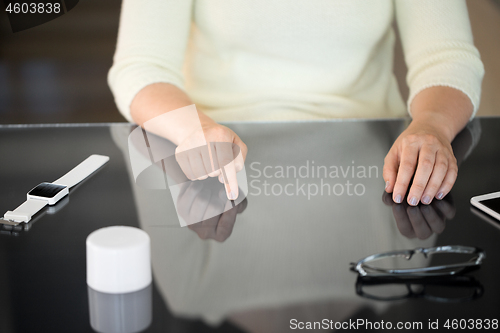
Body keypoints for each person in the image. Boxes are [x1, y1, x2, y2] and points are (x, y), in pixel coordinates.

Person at [108, 0, 484, 205]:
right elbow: (142, 66)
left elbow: (448, 59)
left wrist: (431, 125)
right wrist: (195, 130)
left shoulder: (388, 295)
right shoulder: (194, 290)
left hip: (379, 172)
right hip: (212, 167)